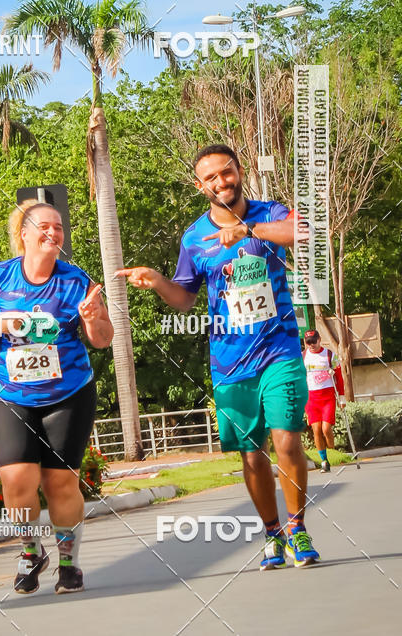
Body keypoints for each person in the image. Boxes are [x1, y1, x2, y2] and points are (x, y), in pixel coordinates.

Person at [116, 144, 320, 570]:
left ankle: (298, 527)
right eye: (210, 178)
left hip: (279, 347)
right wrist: (156, 281)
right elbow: (185, 299)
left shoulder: (268, 212)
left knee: (286, 438)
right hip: (230, 361)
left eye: (226, 173)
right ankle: (272, 534)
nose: (220, 182)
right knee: (251, 454)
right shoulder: (193, 238)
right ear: (200, 186)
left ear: (239, 171)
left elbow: (303, 232)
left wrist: (251, 232)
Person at [0, 199, 113, 595]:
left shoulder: (76, 279)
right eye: (45, 226)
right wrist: (3, 321)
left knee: (61, 483)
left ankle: (68, 563)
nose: (53, 233)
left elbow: (102, 340)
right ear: (23, 234)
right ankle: (31, 551)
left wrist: (95, 318)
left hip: (68, 393)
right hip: (9, 394)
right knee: (16, 480)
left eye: (59, 227)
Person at [303, 329, 345, 473]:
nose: (311, 344)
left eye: (314, 341)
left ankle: (332, 449)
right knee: (316, 429)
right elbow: (298, 378)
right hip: (311, 398)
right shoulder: (303, 357)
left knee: (326, 429)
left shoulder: (329, 355)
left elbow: (339, 378)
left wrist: (342, 397)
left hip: (327, 397)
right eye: (308, 342)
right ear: (305, 343)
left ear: (319, 339)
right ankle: (324, 461)